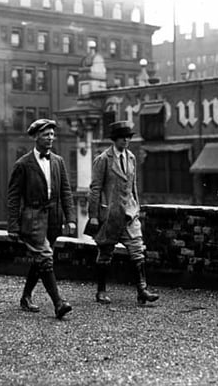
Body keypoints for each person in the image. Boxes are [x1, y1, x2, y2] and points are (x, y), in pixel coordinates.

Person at [7, 118, 76, 320]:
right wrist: (13, 226)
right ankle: (58, 303)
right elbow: (13, 197)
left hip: (54, 219)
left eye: (53, 134)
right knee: (45, 257)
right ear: (36, 137)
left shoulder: (58, 161)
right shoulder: (23, 164)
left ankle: (26, 296)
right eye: (46, 134)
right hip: (32, 218)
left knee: (40, 260)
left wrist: (70, 218)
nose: (50, 138)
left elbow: (66, 192)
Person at [86, 120, 159, 305]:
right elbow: (95, 189)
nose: (126, 140)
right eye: (123, 137)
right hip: (110, 215)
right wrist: (93, 216)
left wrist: (136, 207)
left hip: (129, 214)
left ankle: (142, 290)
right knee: (105, 253)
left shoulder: (131, 157)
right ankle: (101, 291)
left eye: (128, 137)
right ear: (115, 139)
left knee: (137, 250)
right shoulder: (103, 159)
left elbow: (133, 185)